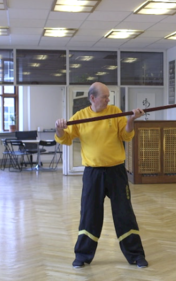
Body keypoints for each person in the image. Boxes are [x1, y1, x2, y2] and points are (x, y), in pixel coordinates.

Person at [55, 82, 147, 269]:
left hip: (116, 172)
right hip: (93, 173)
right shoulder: (80, 117)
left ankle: (136, 255)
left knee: (124, 213)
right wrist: (59, 128)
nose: (108, 99)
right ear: (92, 98)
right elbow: (65, 139)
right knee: (89, 214)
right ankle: (82, 255)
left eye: (108, 96)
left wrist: (131, 120)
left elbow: (126, 136)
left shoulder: (115, 112)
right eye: (104, 97)